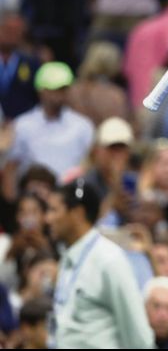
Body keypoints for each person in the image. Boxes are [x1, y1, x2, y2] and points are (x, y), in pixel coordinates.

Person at [44, 179, 153, 348]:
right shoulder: (67, 258)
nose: (47, 219)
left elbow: (138, 335)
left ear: (77, 213)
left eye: (54, 210)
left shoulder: (109, 259)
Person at [2, 62, 94, 201]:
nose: (59, 95)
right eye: (53, 89)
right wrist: (12, 205)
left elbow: (90, 165)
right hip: (34, 200)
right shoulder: (22, 125)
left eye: (63, 89)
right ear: (41, 90)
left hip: (71, 198)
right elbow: (11, 168)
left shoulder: (83, 126)